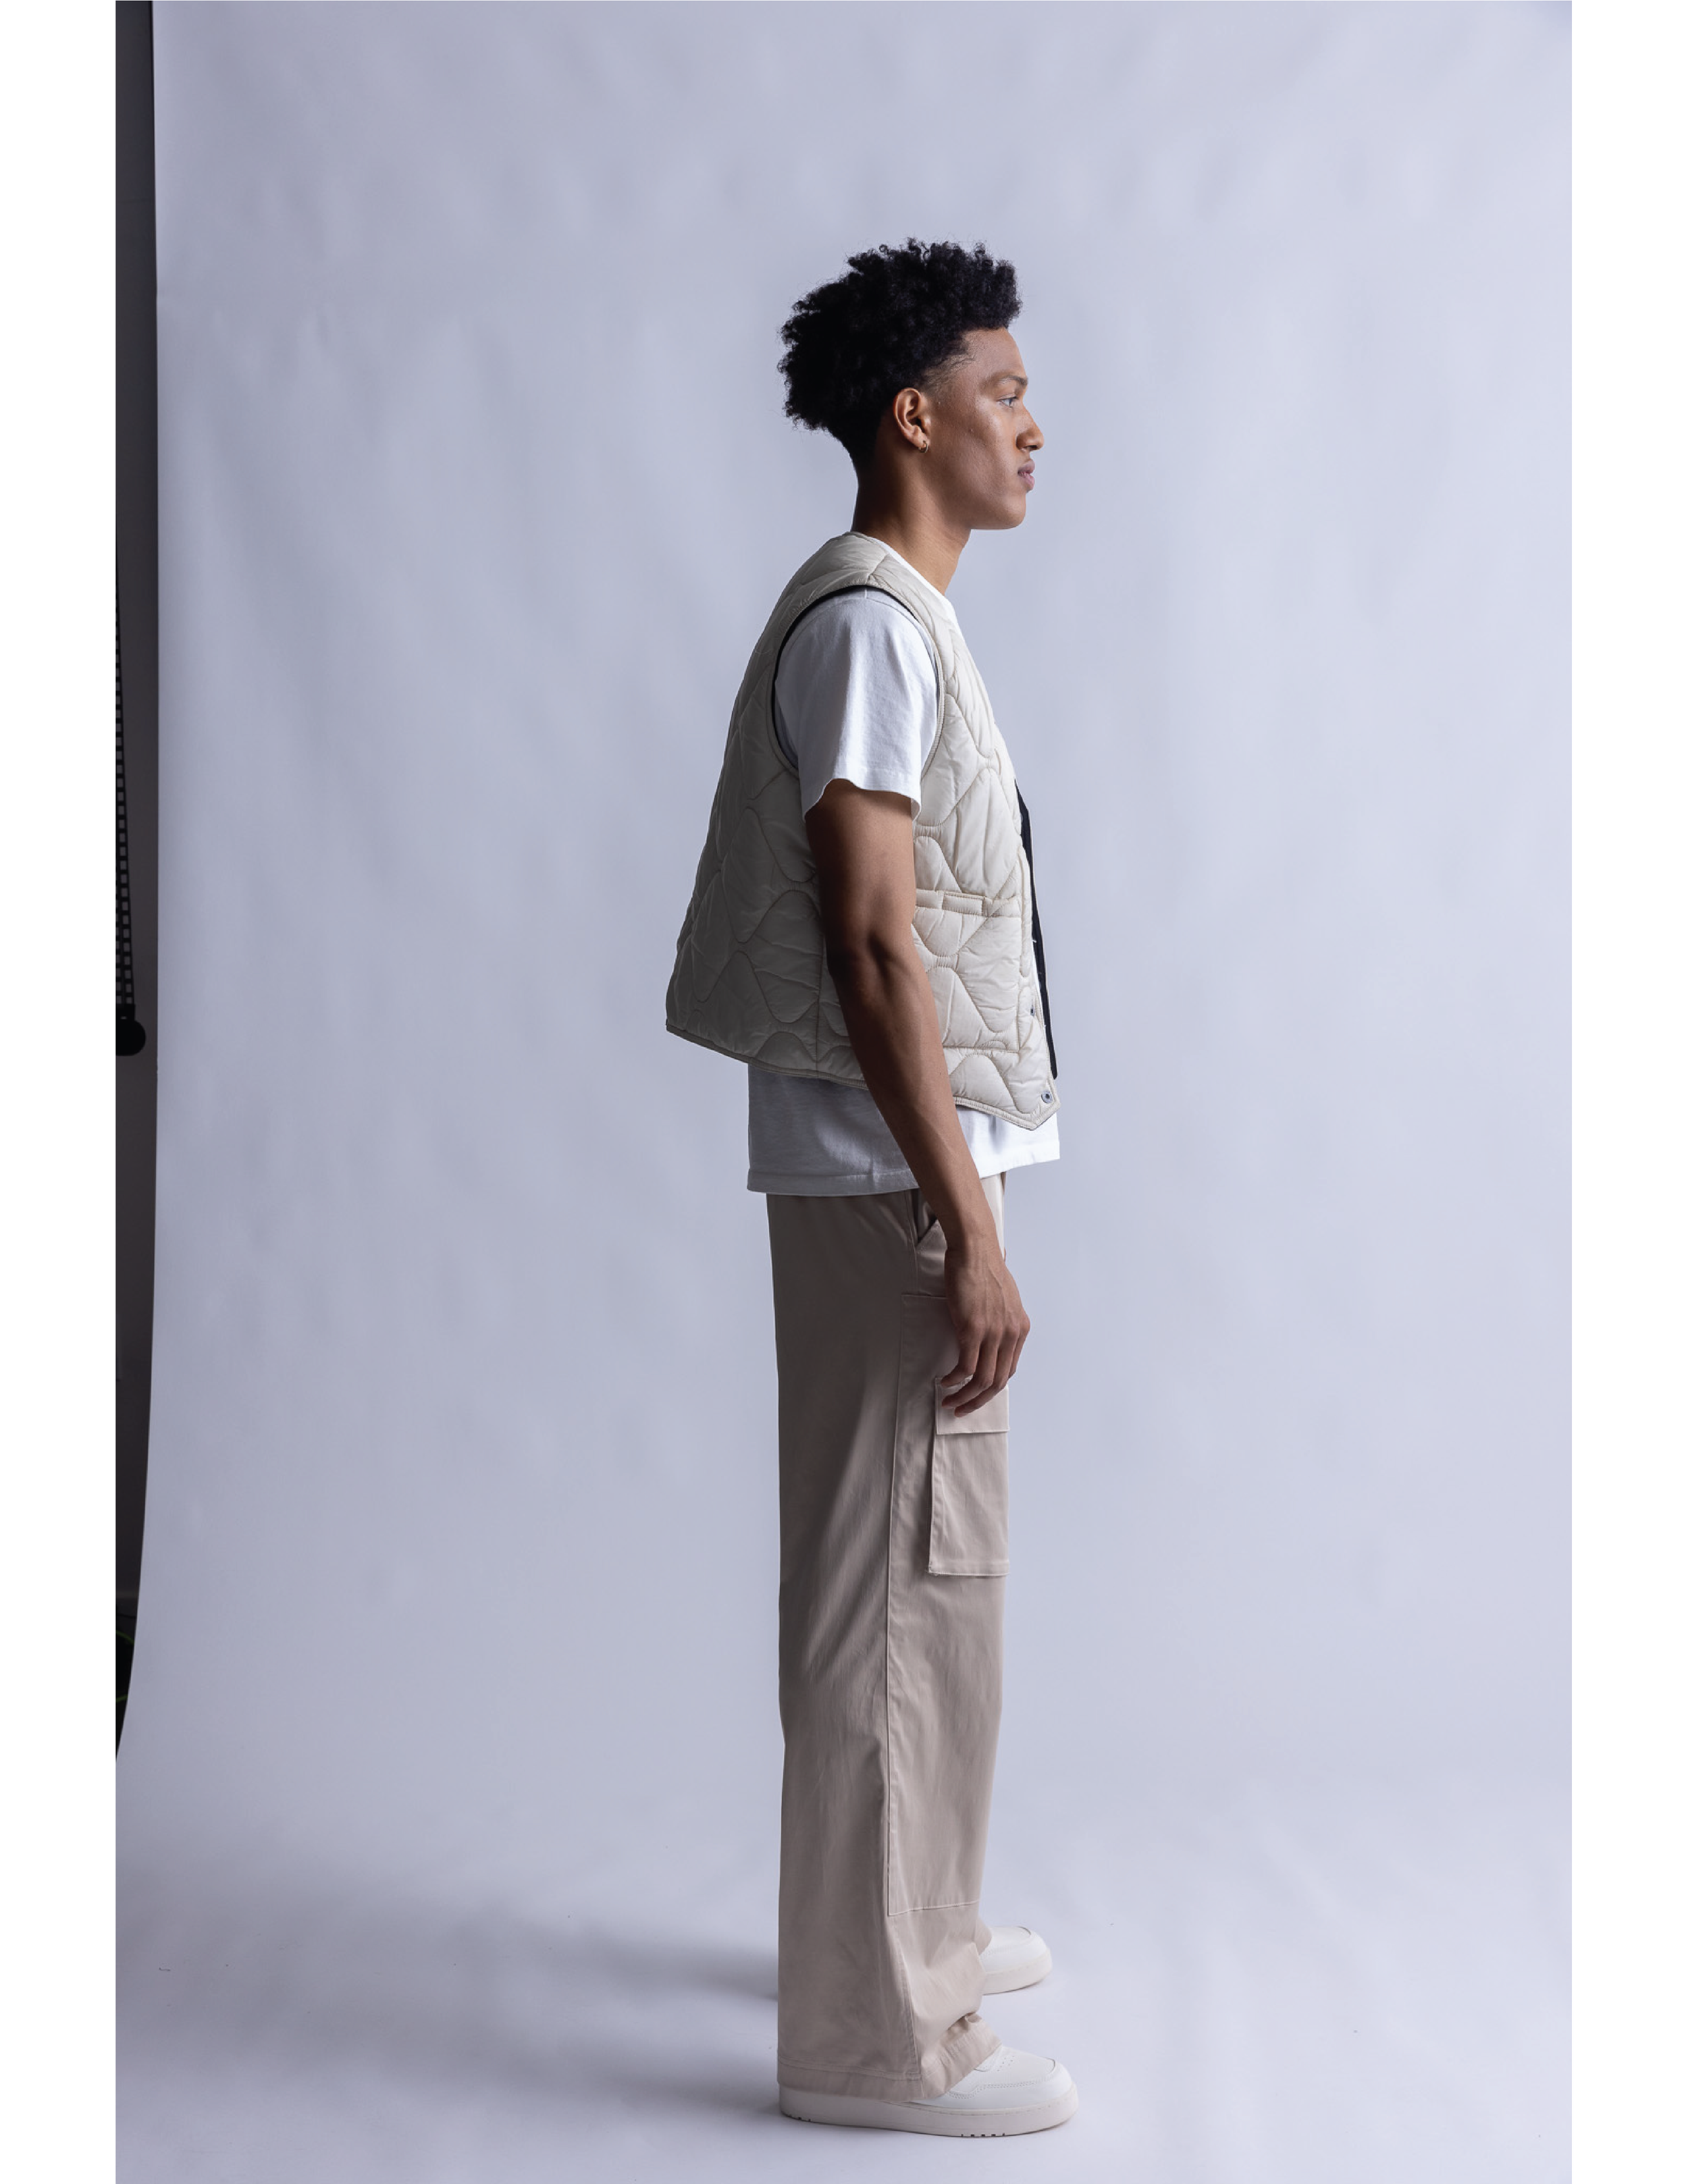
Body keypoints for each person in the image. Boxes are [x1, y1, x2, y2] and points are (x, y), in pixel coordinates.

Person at [666, 240, 1075, 2139]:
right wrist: (966, 1223)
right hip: (889, 1176)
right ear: (914, 415)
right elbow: (872, 942)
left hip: (899, 1168)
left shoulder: (901, 614)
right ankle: (871, 2042)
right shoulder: (867, 631)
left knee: (926, 1583)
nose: (1032, 426)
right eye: (1004, 392)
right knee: (895, 1595)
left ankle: (911, 1927)